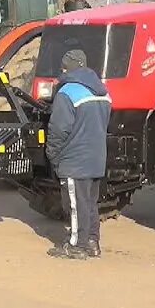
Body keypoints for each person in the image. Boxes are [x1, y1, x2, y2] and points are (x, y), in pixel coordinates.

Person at [45, 49, 112, 260]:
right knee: (90, 204)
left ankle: (76, 245)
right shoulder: (103, 93)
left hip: (74, 160)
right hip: (97, 158)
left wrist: (52, 155)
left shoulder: (67, 92)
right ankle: (92, 242)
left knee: (75, 205)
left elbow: (58, 129)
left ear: (67, 68)